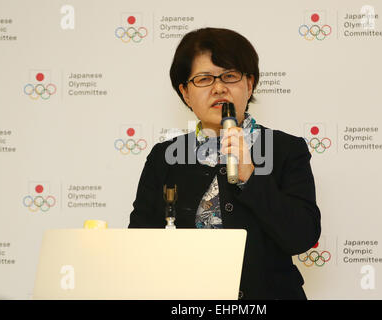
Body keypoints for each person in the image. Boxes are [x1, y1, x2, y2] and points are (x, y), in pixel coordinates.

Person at [129, 27, 321, 300]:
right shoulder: (164, 157)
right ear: (185, 92)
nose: (219, 88)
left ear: (249, 84)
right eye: (204, 79)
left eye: (229, 76)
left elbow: (301, 237)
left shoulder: (286, 149)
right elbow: (139, 243)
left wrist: (250, 176)